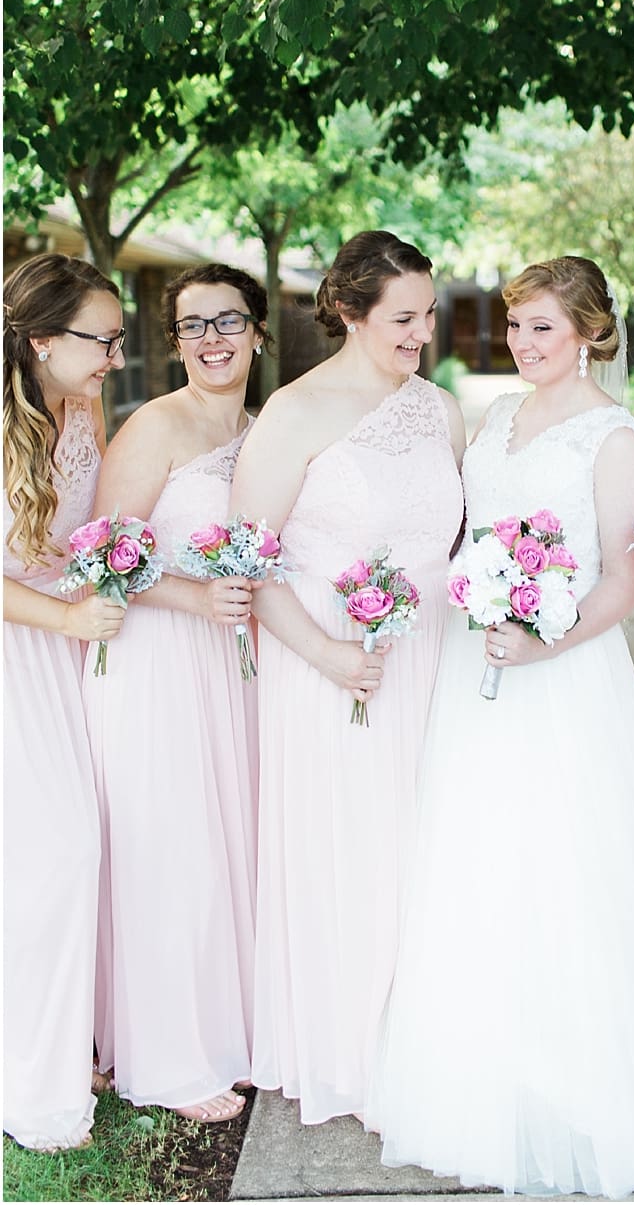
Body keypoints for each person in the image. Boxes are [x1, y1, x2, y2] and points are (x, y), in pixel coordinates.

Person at [367, 256, 634, 1193]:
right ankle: (481, 1071)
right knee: (476, 857)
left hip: (564, 681)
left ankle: (574, 1080)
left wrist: (543, 640)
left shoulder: (615, 441)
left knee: (562, 864)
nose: (522, 343)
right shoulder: (494, 419)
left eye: (543, 328)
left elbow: (625, 582)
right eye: (515, 326)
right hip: (474, 673)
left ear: (591, 332)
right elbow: (467, 537)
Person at [231, 230, 464, 1124]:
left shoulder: (439, 410)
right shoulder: (292, 412)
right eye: (404, 318)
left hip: (427, 653)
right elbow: (248, 565)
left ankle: (422, 1036)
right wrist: (329, 654)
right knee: (353, 842)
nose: (422, 334)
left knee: (425, 845)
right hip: (329, 661)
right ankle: (348, 1049)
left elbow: (445, 539)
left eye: (429, 315)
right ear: (348, 312)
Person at [86, 264, 263, 1124]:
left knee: (229, 843)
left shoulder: (268, 431)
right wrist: (194, 596)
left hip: (231, 666)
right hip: (157, 659)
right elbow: (102, 552)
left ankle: (229, 1028)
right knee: (172, 849)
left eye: (229, 321)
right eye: (194, 325)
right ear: (176, 342)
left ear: (258, 333)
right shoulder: (153, 426)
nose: (212, 339)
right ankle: (169, 1057)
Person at [1, 253, 126, 1151]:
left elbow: (97, 530)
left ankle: (53, 1037)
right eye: (103, 339)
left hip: (68, 651)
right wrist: (70, 616)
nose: (116, 356)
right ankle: (31, 1073)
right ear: (44, 338)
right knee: (56, 856)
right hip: (18, 649)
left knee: (76, 853)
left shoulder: (81, 412)